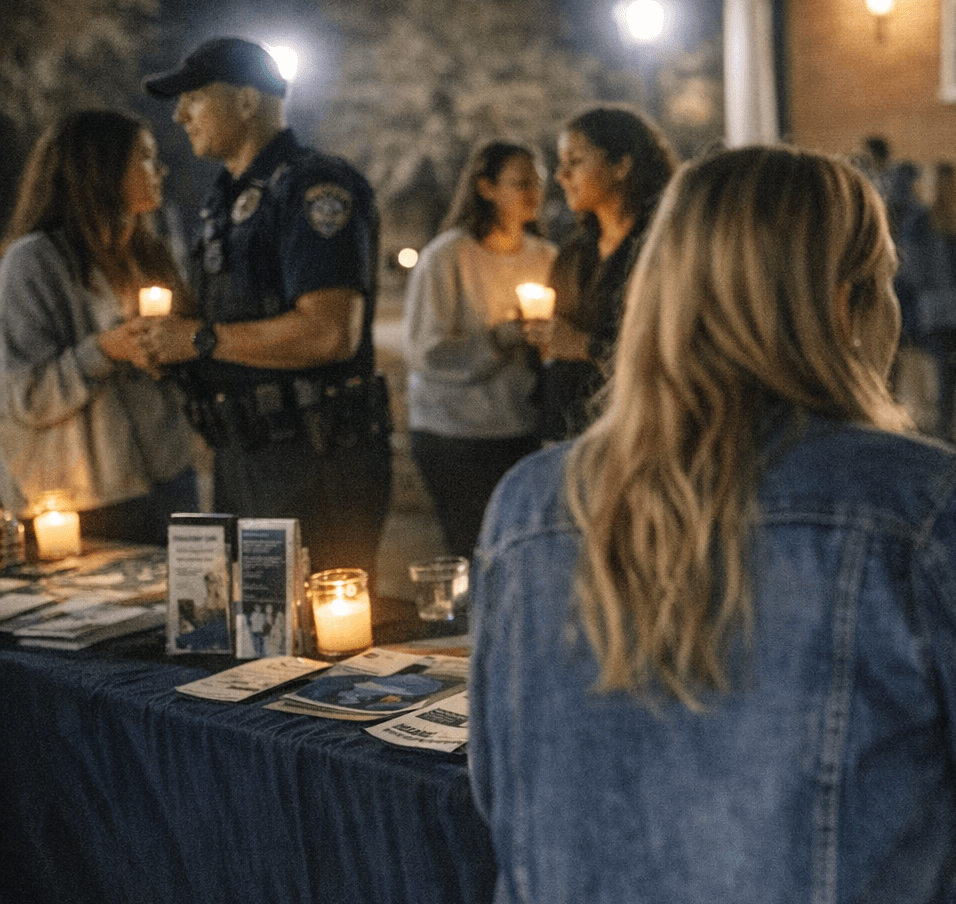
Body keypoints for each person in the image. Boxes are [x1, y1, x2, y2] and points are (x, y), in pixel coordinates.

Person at [470, 146, 956, 904]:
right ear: (845, 304)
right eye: (885, 281)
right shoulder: (920, 506)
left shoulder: (528, 507)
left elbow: (496, 788)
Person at [136, 37, 391, 580]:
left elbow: (329, 334)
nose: (180, 114)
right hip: (245, 452)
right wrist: (170, 347)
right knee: (256, 643)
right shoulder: (225, 199)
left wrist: (200, 341)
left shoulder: (313, 186)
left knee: (315, 644)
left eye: (194, 98)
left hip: (316, 460)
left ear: (247, 101)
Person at [0, 110, 197, 543]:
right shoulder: (33, 262)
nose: (158, 170)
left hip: (168, 477)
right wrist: (106, 350)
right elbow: (27, 396)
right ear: (99, 169)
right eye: (144, 158)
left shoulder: (149, 255)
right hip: (84, 499)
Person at [403, 140, 556, 560]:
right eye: (521, 182)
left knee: (520, 547)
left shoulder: (546, 257)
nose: (534, 192)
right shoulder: (448, 257)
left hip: (518, 426)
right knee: (472, 547)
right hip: (453, 432)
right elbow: (425, 351)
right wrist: (498, 339)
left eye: (538, 182)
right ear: (486, 188)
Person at [528, 105, 676, 441]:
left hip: (637, 434)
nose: (560, 176)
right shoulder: (573, 254)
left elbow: (670, 355)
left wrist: (585, 346)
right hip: (566, 432)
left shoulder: (665, 250)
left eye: (575, 161)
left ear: (622, 165)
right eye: (561, 162)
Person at [901, 161, 956, 450]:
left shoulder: (919, 224)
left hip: (935, 312)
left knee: (943, 382)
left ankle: (946, 443)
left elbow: (912, 272)